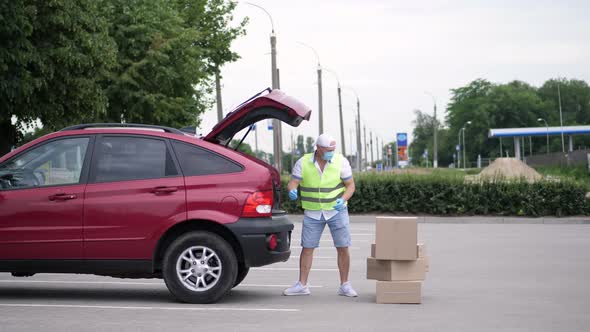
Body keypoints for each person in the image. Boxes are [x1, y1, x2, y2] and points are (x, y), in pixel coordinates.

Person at [283, 134, 357, 297]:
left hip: (337, 211)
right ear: (318, 148)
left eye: (333, 149)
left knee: (343, 247)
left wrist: (343, 199)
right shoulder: (303, 162)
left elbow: (350, 185)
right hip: (313, 212)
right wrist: (292, 191)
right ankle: (302, 285)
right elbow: (293, 182)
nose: (331, 152)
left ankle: (345, 285)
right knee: (307, 248)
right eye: (328, 150)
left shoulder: (341, 161)